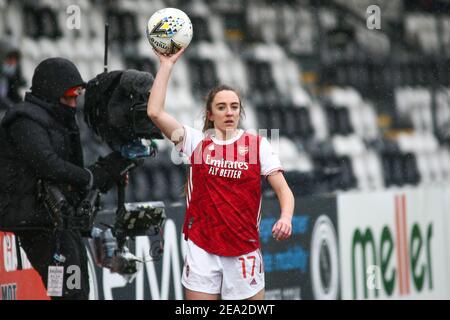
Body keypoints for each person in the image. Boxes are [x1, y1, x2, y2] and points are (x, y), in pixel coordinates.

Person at [147, 48, 295, 300]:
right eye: (222, 107)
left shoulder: (258, 145)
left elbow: (283, 190)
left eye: (234, 107)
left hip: (243, 249)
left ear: (240, 112)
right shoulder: (195, 142)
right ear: (210, 114)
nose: (229, 112)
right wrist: (166, 66)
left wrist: (286, 218)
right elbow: (155, 113)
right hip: (202, 247)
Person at [0, 57, 134, 299]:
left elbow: (73, 171)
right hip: (37, 223)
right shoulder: (24, 121)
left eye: (76, 97)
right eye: (68, 97)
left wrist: (105, 172)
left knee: (74, 290)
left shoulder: (61, 119)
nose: (73, 104)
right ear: (51, 92)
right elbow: (48, 165)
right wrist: (90, 177)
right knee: (71, 293)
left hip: (60, 221)